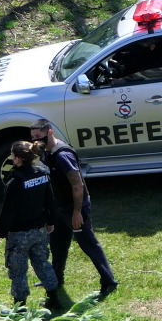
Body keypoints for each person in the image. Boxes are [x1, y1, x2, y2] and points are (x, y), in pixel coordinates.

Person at [30, 118, 117, 305]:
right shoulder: (47, 152)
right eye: (33, 137)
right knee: (58, 245)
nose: (36, 140)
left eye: (39, 136)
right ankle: (55, 278)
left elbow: (77, 185)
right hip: (59, 207)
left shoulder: (62, 156)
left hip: (74, 207)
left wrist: (77, 213)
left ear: (50, 132)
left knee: (88, 244)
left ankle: (109, 281)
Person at [0, 140, 61, 309]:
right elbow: (50, 201)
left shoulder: (15, 182)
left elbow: (8, 212)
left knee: (18, 270)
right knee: (43, 263)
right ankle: (54, 298)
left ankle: (20, 307)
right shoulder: (42, 174)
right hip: (39, 230)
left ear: (17, 159)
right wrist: (51, 222)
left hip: (19, 235)